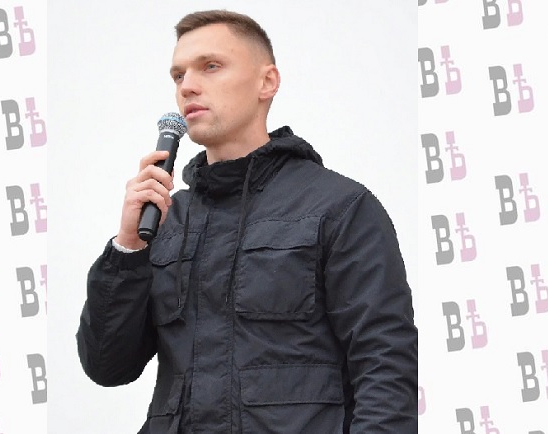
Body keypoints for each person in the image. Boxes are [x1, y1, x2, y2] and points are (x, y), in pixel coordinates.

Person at [76, 9, 417, 433]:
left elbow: (385, 367)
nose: (187, 86)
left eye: (210, 66)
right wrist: (128, 247)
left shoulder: (339, 207)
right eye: (178, 75)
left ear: (267, 82)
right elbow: (107, 366)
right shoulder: (166, 220)